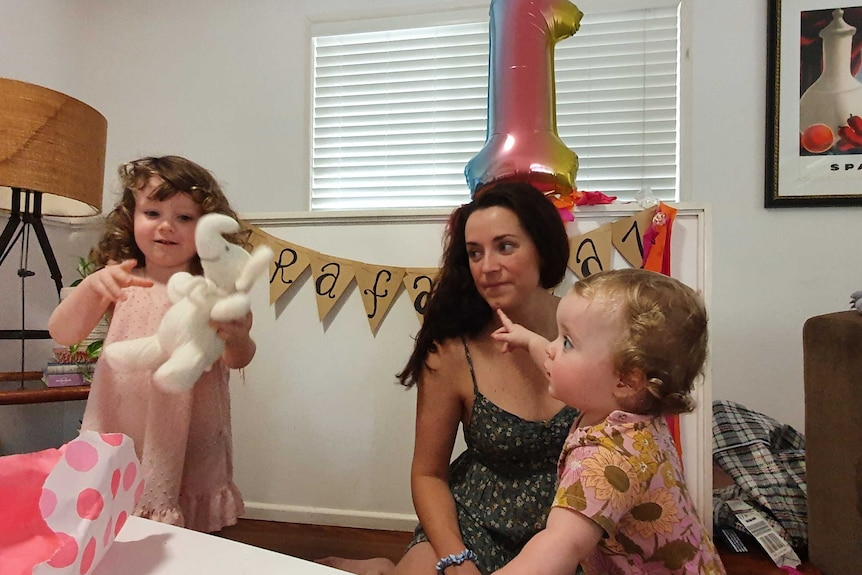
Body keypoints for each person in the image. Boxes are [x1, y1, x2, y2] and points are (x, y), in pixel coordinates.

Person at [320, 182, 578, 575]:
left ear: (542, 247)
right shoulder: (452, 352)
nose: (487, 267)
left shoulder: (591, 327)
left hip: (576, 527)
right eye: (475, 253)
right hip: (475, 525)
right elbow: (428, 473)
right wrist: (455, 557)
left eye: (505, 246)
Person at [48, 155, 256, 533]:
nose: (166, 226)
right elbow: (63, 333)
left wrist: (238, 336)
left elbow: (238, 358)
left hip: (192, 427)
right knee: (111, 522)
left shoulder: (216, 292)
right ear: (131, 217)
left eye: (184, 217)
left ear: (208, 229)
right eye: (153, 212)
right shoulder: (119, 278)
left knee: (186, 534)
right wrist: (91, 289)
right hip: (122, 420)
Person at [490, 268, 726, 575]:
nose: (551, 348)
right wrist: (529, 340)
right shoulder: (631, 412)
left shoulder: (605, 461)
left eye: (568, 342)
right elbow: (564, 371)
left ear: (627, 380)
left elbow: (558, 546)